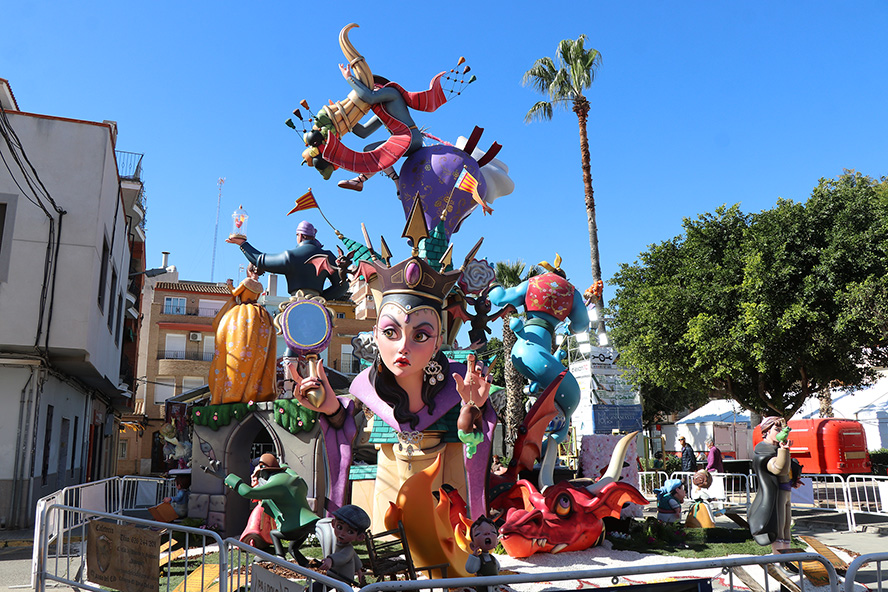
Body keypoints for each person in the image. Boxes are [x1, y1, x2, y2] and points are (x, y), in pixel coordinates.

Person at [290, 243, 496, 530]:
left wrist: (475, 408)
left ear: (438, 341)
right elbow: (344, 426)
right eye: (391, 332)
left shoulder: (459, 383)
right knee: (389, 535)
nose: (403, 346)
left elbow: (473, 440)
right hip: (390, 477)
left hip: (445, 484)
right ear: (375, 334)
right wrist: (332, 410)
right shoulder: (365, 386)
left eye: (420, 335)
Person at [224, 453, 320, 565]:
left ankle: (280, 557)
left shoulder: (276, 482)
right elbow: (289, 470)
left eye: (261, 473)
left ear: (265, 471)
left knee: (274, 533)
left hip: (293, 527)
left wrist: (228, 478)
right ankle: (306, 565)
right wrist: (283, 465)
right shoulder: (293, 478)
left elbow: (249, 492)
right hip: (308, 522)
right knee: (292, 549)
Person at [208, 264, 276, 405]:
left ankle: (232, 392)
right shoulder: (259, 286)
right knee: (259, 353)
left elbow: (235, 293)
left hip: (243, 316)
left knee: (237, 349)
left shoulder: (246, 282)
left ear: (248, 270)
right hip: (260, 317)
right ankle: (255, 392)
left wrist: (230, 285)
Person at [227, 220, 347, 300]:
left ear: (300, 236)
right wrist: (321, 297)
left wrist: (242, 244)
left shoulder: (291, 256)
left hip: (295, 304)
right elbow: (343, 286)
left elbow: (260, 260)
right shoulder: (328, 256)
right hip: (318, 307)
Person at [748, 416, 793, 548]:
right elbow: (779, 469)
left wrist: (795, 478)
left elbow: (788, 469)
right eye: (777, 429)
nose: (780, 432)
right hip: (775, 493)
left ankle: (786, 558)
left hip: (786, 490)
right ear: (767, 431)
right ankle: (778, 560)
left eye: (782, 429)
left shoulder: (776, 448)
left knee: (786, 527)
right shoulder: (763, 450)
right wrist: (784, 450)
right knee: (778, 528)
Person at [318, 505, 370, 587]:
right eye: (339, 527)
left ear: (360, 537)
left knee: (318, 587)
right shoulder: (345, 547)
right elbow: (355, 557)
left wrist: (331, 560)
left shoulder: (348, 549)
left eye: (350, 532)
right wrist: (359, 571)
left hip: (343, 579)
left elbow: (343, 557)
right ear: (333, 524)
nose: (342, 533)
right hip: (335, 577)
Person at [465, 516, 500, 592]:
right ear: (472, 545)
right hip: (483, 589)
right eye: (478, 533)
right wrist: (474, 557)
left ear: (497, 542)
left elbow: (497, 568)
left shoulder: (493, 558)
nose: (487, 533)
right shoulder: (479, 559)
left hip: (494, 587)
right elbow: (470, 569)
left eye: (493, 532)